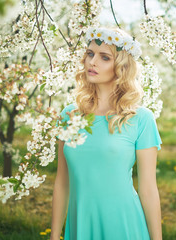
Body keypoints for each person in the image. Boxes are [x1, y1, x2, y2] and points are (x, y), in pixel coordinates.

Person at [50, 27, 163, 240]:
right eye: (90, 54)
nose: (92, 62)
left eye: (104, 57)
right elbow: (62, 181)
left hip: (123, 224)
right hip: (80, 223)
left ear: (121, 67)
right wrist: (54, 235)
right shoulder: (69, 116)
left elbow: (148, 189)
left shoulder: (141, 118)